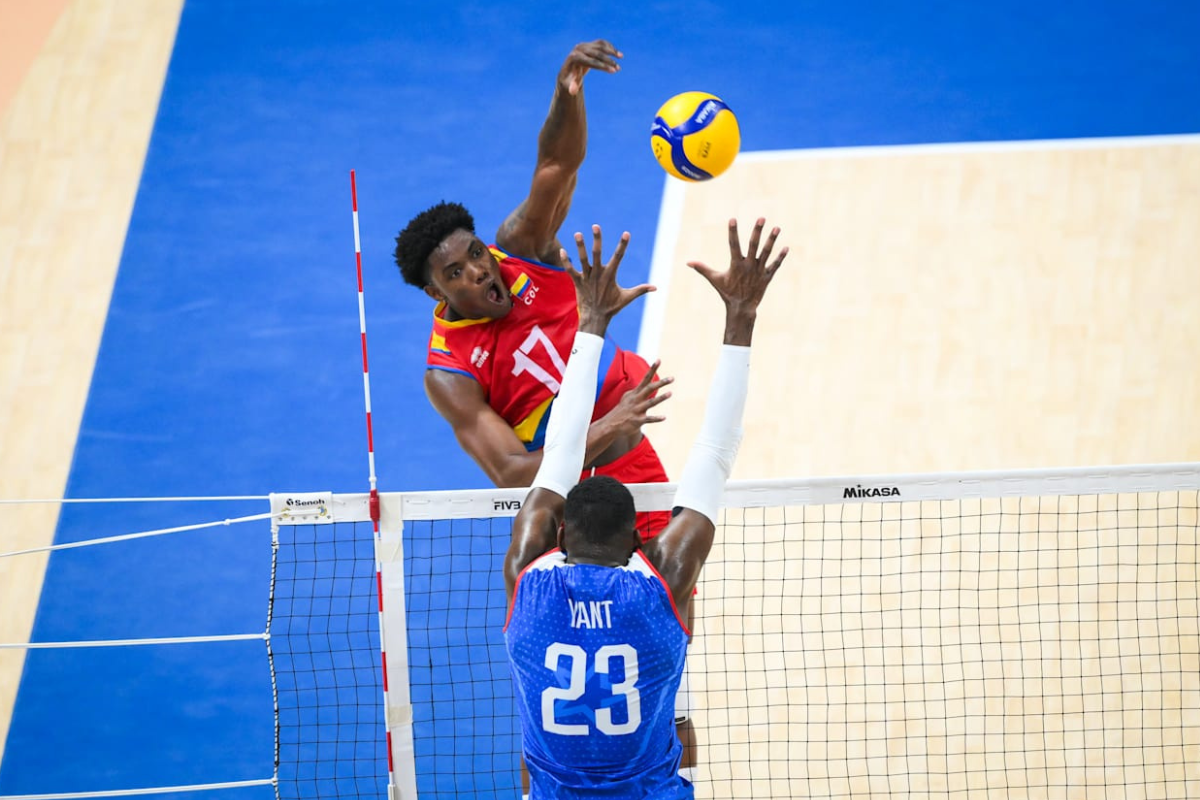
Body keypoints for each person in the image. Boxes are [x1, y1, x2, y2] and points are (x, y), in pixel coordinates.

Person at [503, 218, 788, 798]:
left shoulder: (526, 577)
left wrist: (591, 322)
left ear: (557, 532)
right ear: (641, 540)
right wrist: (742, 316)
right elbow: (715, 452)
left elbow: (558, 455)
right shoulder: (662, 584)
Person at [392, 40, 675, 540]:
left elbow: (555, 166)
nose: (478, 272)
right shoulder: (450, 374)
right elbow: (513, 474)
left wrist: (568, 92)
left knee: (672, 606)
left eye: (474, 254)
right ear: (437, 295)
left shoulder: (521, 250)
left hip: (635, 463)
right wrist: (612, 420)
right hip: (570, 503)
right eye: (454, 274)